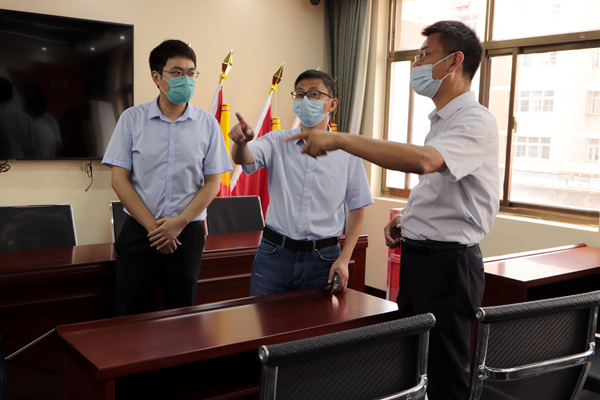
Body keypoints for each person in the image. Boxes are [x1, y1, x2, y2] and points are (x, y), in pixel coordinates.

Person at [288, 21, 499, 400]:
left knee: (446, 372)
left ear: (454, 61)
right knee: (411, 361)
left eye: (424, 54)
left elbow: (424, 161)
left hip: (448, 265)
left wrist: (340, 139)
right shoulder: (443, 121)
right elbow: (444, 188)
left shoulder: (474, 120)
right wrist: (408, 219)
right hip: (423, 258)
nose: (416, 63)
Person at [102, 40, 232, 317]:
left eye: (191, 73)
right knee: (129, 311)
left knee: (181, 314)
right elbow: (119, 180)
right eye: (177, 73)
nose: (186, 79)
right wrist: (157, 229)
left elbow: (213, 183)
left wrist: (179, 223)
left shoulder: (208, 124)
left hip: (187, 233)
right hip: (140, 232)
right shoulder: (131, 119)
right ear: (156, 77)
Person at [229, 69, 373, 295]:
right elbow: (244, 158)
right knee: (265, 317)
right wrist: (240, 143)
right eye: (299, 94)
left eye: (314, 94)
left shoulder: (347, 151)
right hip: (274, 254)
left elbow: (357, 207)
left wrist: (345, 258)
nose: (305, 100)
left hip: (324, 258)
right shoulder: (278, 140)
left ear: (332, 104)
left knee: (321, 318)